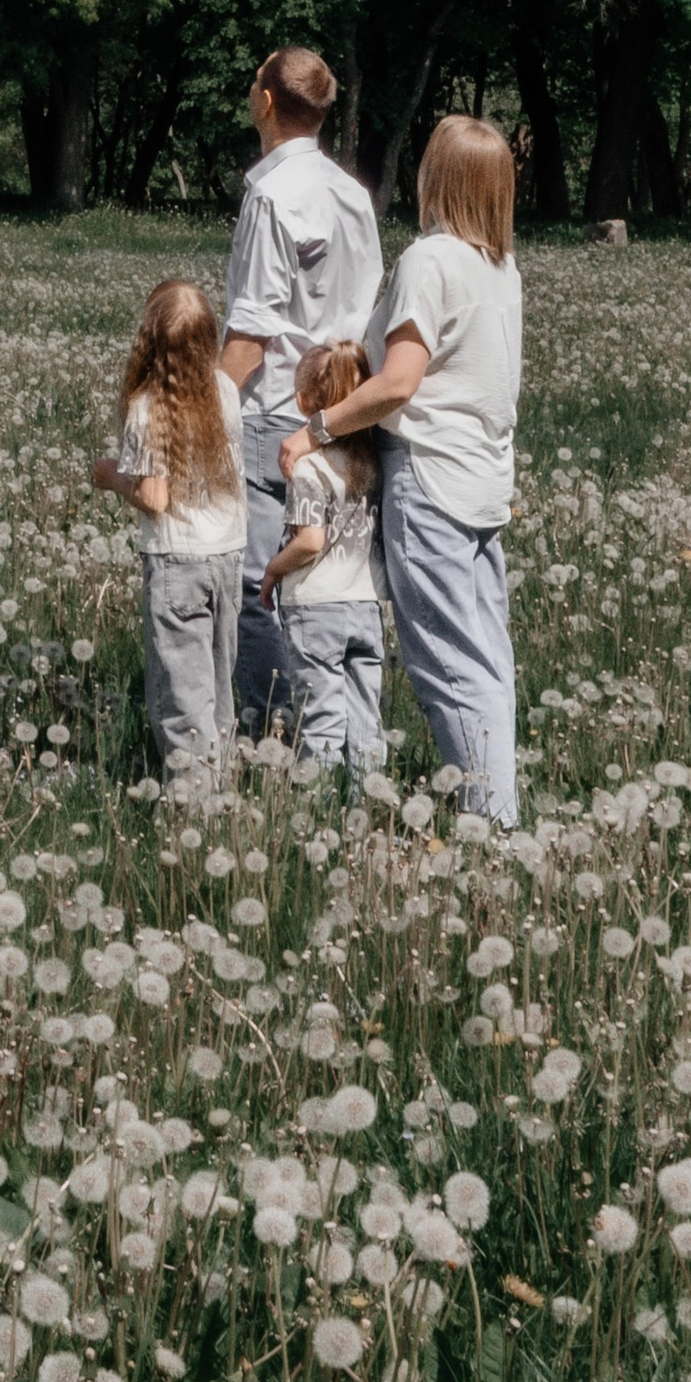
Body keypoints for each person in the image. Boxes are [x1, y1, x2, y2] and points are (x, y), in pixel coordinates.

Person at [309, 111, 522, 824]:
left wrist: (320, 427)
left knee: (446, 667)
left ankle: (489, 827)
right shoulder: (501, 267)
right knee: (487, 661)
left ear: (440, 177)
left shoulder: (430, 261)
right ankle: (503, 811)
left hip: (428, 480)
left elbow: (400, 383)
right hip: (485, 482)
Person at [217, 47, 383, 738]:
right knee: (336, 583)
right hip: (343, 414)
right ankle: (345, 732)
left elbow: (251, 337)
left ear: (264, 102)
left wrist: (201, 412)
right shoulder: (352, 193)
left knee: (260, 586)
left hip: (277, 418)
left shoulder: (270, 196)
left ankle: (272, 727)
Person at [90, 274, 245, 790]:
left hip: (178, 564)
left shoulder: (147, 409)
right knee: (219, 692)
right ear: (210, 339)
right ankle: (221, 797)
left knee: (183, 700)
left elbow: (154, 498)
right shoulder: (224, 390)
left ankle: (189, 820)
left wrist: (112, 477)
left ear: (148, 343)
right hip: (227, 559)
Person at [257, 337, 382, 785]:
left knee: (322, 719)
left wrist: (273, 569)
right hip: (366, 605)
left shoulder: (309, 469)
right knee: (366, 717)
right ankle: (368, 799)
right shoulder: (368, 465)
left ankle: (321, 806)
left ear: (302, 401)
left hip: (316, 609)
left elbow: (310, 541)